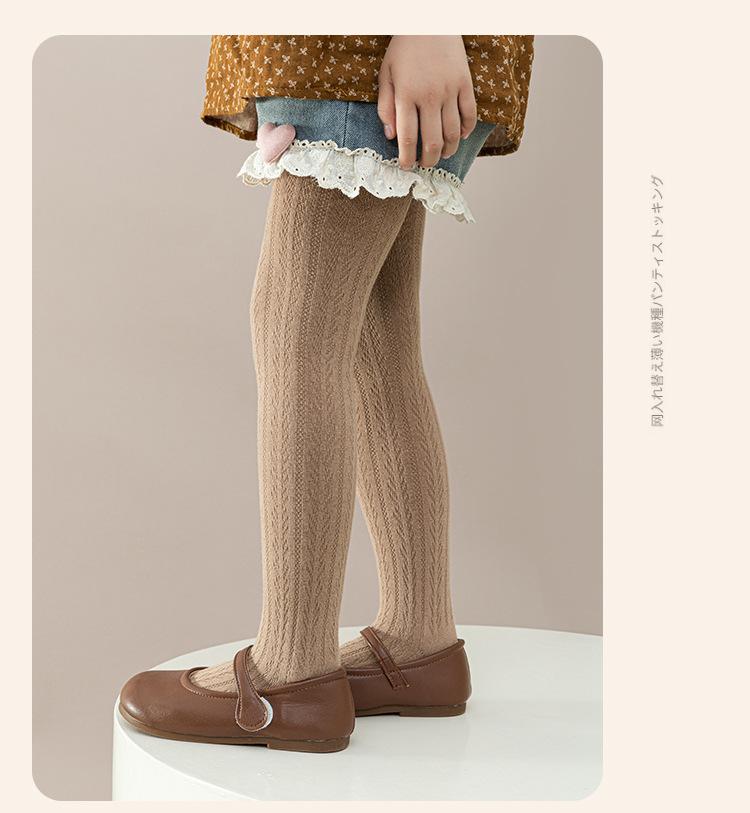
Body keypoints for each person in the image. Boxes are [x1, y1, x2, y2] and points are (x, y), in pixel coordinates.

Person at [119, 34, 534, 753]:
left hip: (366, 48)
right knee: (375, 326)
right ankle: (418, 646)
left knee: (296, 324)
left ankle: (289, 676)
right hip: (370, 51)